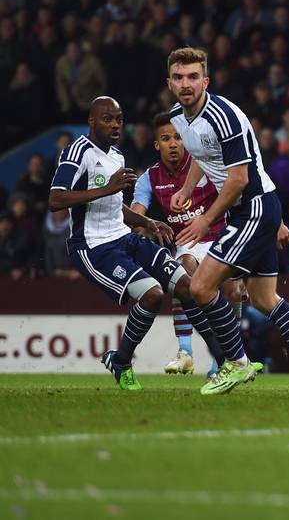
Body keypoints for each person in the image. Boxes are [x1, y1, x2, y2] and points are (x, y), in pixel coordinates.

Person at [166, 47, 289, 395]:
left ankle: (237, 363)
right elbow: (203, 154)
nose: (186, 84)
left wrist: (205, 221)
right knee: (264, 299)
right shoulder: (178, 117)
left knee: (200, 287)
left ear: (206, 80)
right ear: (170, 83)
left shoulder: (223, 116)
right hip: (258, 210)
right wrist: (186, 188)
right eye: (179, 77)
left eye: (193, 77)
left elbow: (240, 179)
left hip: (252, 207)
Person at [47, 97, 208, 390]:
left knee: (185, 285)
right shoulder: (77, 152)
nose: (115, 125)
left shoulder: (117, 157)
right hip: (93, 247)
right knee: (152, 295)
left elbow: (113, 205)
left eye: (119, 119)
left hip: (124, 235)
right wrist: (107, 188)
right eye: (107, 119)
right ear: (92, 122)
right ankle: (121, 362)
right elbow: (56, 199)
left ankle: (221, 361)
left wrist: (146, 222)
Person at [131, 112, 252, 378]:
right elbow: (135, 213)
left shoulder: (206, 166)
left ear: (186, 140)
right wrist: (144, 224)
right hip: (187, 244)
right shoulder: (149, 178)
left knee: (232, 291)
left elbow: (240, 190)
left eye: (177, 137)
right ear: (156, 145)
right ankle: (185, 351)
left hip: (221, 237)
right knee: (181, 272)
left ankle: (226, 358)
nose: (173, 144)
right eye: (165, 139)